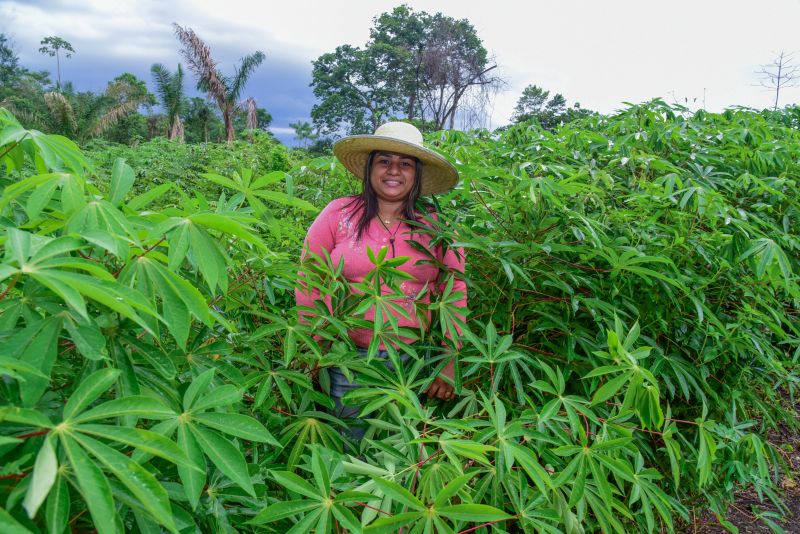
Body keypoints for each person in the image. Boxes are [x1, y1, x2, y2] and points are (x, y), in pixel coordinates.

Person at [295, 121, 467, 439]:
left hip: (414, 361)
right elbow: (310, 282)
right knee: (349, 450)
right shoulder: (338, 214)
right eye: (384, 161)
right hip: (347, 359)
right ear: (370, 168)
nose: (393, 171)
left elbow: (454, 287)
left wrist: (450, 357)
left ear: (416, 174)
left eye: (405, 164)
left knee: (399, 456)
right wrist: (314, 349)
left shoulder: (436, 225)